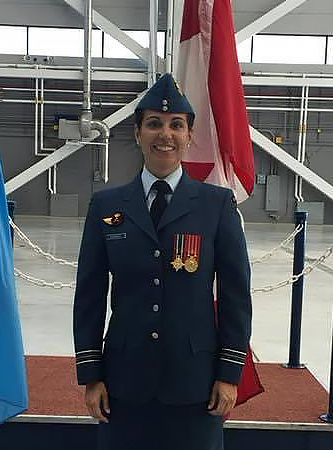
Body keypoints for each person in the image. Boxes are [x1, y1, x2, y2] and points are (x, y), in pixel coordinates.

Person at [73, 73, 252, 450]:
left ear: (189, 136)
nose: (165, 134)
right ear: (138, 134)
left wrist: (229, 374)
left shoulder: (216, 206)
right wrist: (91, 374)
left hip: (196, 384)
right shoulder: (106, 207)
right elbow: (89, 294)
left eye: (176, 125)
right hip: (123, 383)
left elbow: (236, 296)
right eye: (153, 124)